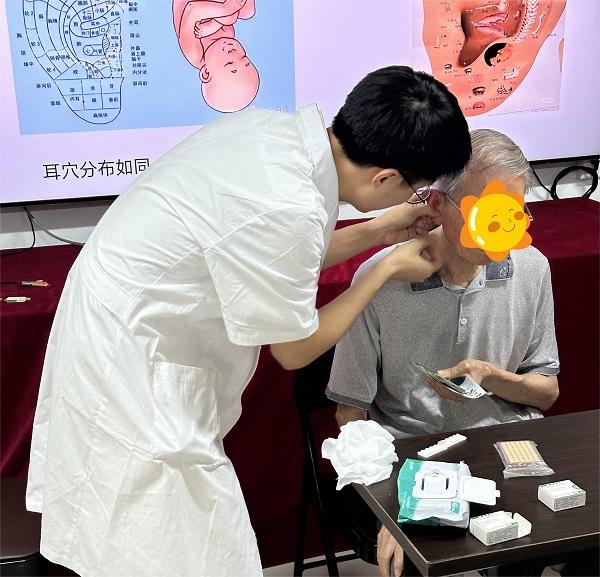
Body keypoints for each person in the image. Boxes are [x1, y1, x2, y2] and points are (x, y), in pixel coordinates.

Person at [26, 66, 471, 577]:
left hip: (122, 323)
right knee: (172, 545)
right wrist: (384, 270)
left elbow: (277, 256)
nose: (408, 202)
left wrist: (379, 231)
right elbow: (294, 348)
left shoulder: (271, 134)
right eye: (415, 191)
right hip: (133, 358)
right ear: (386, 177)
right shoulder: (289, 202)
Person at [326, 129, 561, 577]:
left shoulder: (532, 268)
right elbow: (349, 413)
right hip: (414, 458)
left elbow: (546, 393)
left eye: (512, 213)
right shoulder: (381, 279)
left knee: (566, 543)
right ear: (436, 204)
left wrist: (492, 377)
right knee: (413, 560)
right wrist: (391, 504)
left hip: (506, 450)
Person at [173, 0, 260, 112]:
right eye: (243, 58)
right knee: (249, 12)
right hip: (218, 7)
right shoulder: (227, 36)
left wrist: (226, 9)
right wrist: (218, 23)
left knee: (230, 17)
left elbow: (192, 9)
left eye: (229, 63)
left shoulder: (195, 54)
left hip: (195, 3)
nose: (234, 52)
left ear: (206, 73)